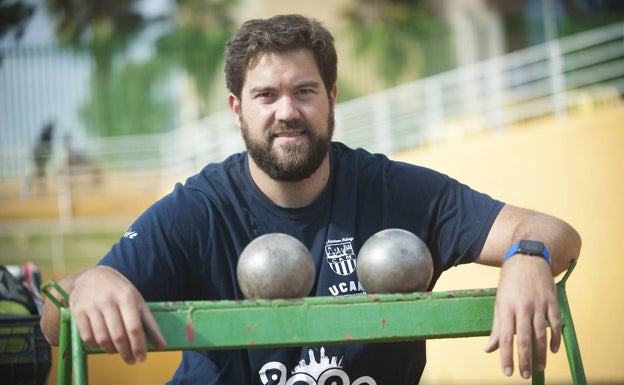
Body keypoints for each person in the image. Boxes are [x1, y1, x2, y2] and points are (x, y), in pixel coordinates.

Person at [40, 14, 582, 384]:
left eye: (304, 91)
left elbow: (551, 230)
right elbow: (53, 314)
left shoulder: (393, 190)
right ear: (236, 109)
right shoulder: (199, 209)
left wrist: (528, 255)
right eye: (266, 95)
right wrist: (88, 284)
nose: (287, 111)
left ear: (331, 98)